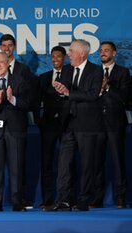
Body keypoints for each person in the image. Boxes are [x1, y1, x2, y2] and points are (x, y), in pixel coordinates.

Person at [47, 39, 103, 211]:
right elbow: (66, 94)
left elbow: (93, 95)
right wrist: (61, 91)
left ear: (82, 53)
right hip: (68, 124)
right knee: (64, 164)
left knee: (86, 165)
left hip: (87, 124)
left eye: (71, 51)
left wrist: (69, 93)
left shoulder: (96, 71)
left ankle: (83, 201)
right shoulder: (66, 70)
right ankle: (64, 200)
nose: (68, 54)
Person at [0, 51, 30, 212]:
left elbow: (27, 104)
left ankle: (17, 202)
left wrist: (12, 99)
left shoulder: (19, 80)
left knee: (16, 167)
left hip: (15, 130)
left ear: (7, 63)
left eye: (1, 62)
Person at [90, 41, 130, 209]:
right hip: (96, 123)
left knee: (117, 160)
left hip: (115, 123)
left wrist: (108, 88)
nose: (103, 53)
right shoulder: (93, 72)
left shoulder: (123, 72)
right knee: (96, 162)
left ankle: (120, 197)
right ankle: (97, 197)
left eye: (106, 50)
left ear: (114, 54)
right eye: (101, 50)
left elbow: (125, 98)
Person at [36, 46, 67, 208]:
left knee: (67, 163)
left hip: (67, 125)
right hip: (47, 126)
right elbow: (36, 101)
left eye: (58, 56)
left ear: (65, 57)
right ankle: (47, 199)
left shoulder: (70, 75)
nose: (55, 59)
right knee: (47, 163)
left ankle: (68, 198)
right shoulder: (43, 78)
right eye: (53, 56)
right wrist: (38, 121)